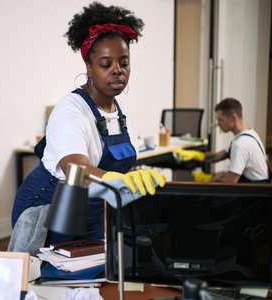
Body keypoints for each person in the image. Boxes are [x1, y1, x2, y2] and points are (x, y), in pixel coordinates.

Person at [11, 2, 165, 247]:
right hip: (50, 204)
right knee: (50, 274)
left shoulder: (123, 118)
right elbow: (75, 171)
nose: (117, 71)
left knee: (92, 273)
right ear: (89, 68)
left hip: (91, 206)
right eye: (106, 64)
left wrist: (133, 179)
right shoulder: (70, 110)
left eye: (124, 63)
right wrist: (116, 180)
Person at [174, 98, 272, 183]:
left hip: (255, 195)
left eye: (220, 120)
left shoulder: (241, 144)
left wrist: (207, 179)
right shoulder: (249, 134)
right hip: (257, 187)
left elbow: (230, 181)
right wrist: (196, 155)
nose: (218, 124)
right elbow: (218, 156)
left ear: (233, 118)